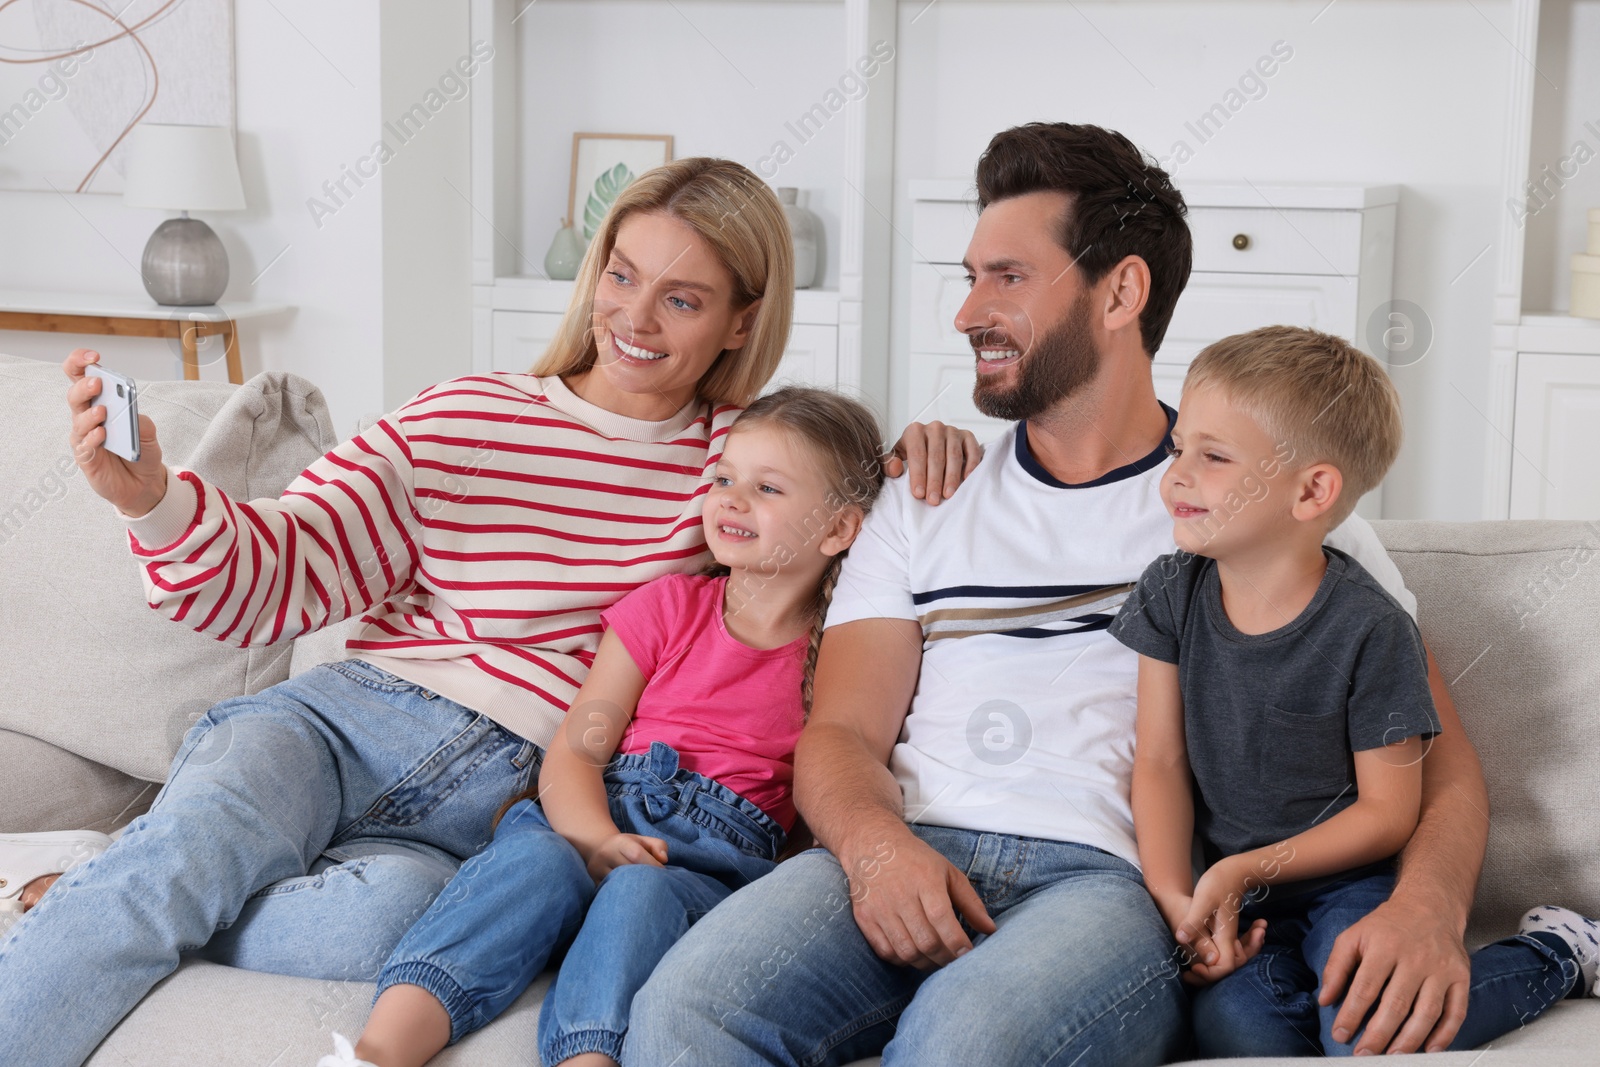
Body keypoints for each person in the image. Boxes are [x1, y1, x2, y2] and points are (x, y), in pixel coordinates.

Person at [0, 158, 978, 1067]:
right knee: (183, 866)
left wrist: (926, 453)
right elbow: (284, 566)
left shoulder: (732, 467)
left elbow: (832, 520)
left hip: (492, 806)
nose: (634, 317)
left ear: (739, 320)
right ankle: (139, 884)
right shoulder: (466, 415)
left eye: (680, 298)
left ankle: (107, 888)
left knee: (386, 931)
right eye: (621, 275)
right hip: (348, 719)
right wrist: (150, 497)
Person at [623, 123, 1496, 1066]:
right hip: (908, 840)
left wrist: (1429, 906)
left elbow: (1436, 759)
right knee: (684, 1010)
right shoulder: (921, 498)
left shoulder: (1262, 506)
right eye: (969, 278)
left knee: (960, 1046)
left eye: (1007, 277)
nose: (966, 313)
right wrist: (877, 848)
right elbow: (840, 735)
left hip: (1106, 886)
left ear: (1119, 290)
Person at [315, 387, 887, 1067]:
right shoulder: (666, 607)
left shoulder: (842, 657)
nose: (732, 499)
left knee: (642, 893)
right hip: (598, 809)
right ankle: (377, 1053)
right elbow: (576, 750)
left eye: (767, 487)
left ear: (838, 529)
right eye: (724, 478)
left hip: (702, 868)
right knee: (532, 860)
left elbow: (822, 805)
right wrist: (597, 837)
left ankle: (588, 1057)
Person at [1113, 325, 1600, 1056]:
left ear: (1312, 490)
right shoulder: (1168, 592)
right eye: (1180, 446)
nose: (1176, 474)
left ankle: (1554, 952)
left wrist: (1244, 867)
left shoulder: (1373, 628)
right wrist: (1174, 895)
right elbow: (1157, 762)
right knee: (1237, 1029)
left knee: (1371, 1032)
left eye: (1212, 456)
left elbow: (1387, 811)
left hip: (1353, 886)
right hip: (1247, 906)